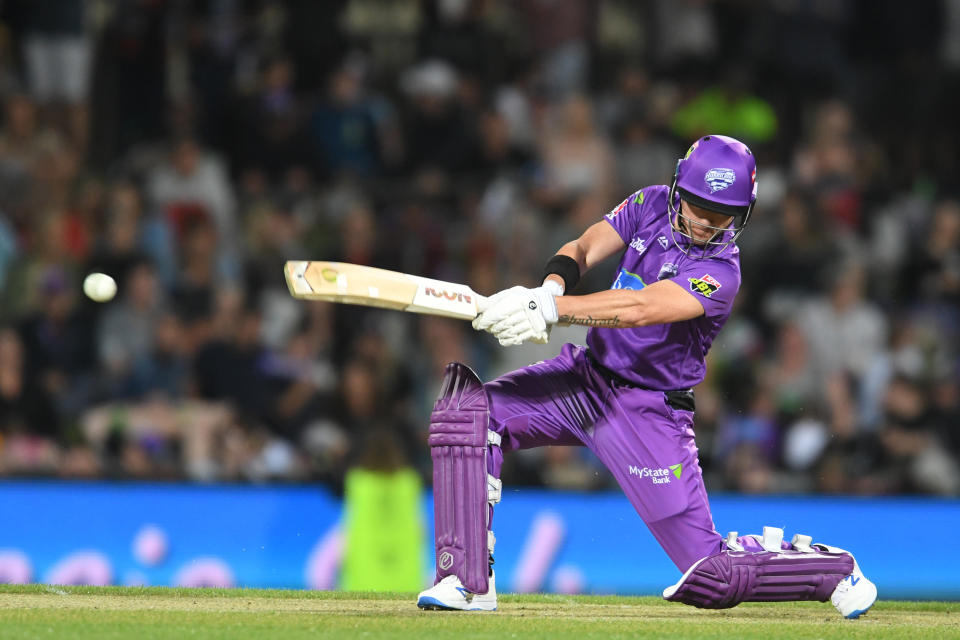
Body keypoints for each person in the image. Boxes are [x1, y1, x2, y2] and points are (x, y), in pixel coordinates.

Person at [415, 135, 878, 617]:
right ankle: (465, 582)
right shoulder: (651, 202)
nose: (703, 222)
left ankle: (831, 569)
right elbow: (586, 245)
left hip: (648, 411)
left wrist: (551, 309)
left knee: (713, 575)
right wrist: (547, 287)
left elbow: (638, 308)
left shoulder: (721, 272)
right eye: (697, 205)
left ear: (742, 215)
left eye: (720, 215)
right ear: (679, 187)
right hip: (585, 380)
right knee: (466, 412)